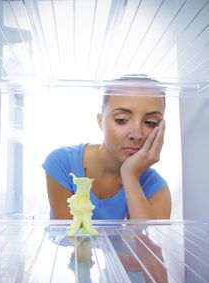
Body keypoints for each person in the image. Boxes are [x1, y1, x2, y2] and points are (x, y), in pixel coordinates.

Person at [42, 75, 171, 220]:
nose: (137, 134)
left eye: (150, 122)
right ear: (100, 121)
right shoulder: (62, 163)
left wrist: (130, 175)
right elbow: (71, 238)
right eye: (121, 120)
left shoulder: (155, 186)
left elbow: (144, 243)